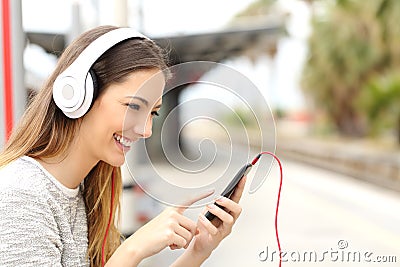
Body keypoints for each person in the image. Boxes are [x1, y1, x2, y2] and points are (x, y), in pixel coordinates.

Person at [0, 25, 246, 267]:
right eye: (134, 106)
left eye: (154, 113)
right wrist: (132, 249)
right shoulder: (20, 196)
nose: (146, 130)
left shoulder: (88, 191)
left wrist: (197, 253)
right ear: (78, 94)